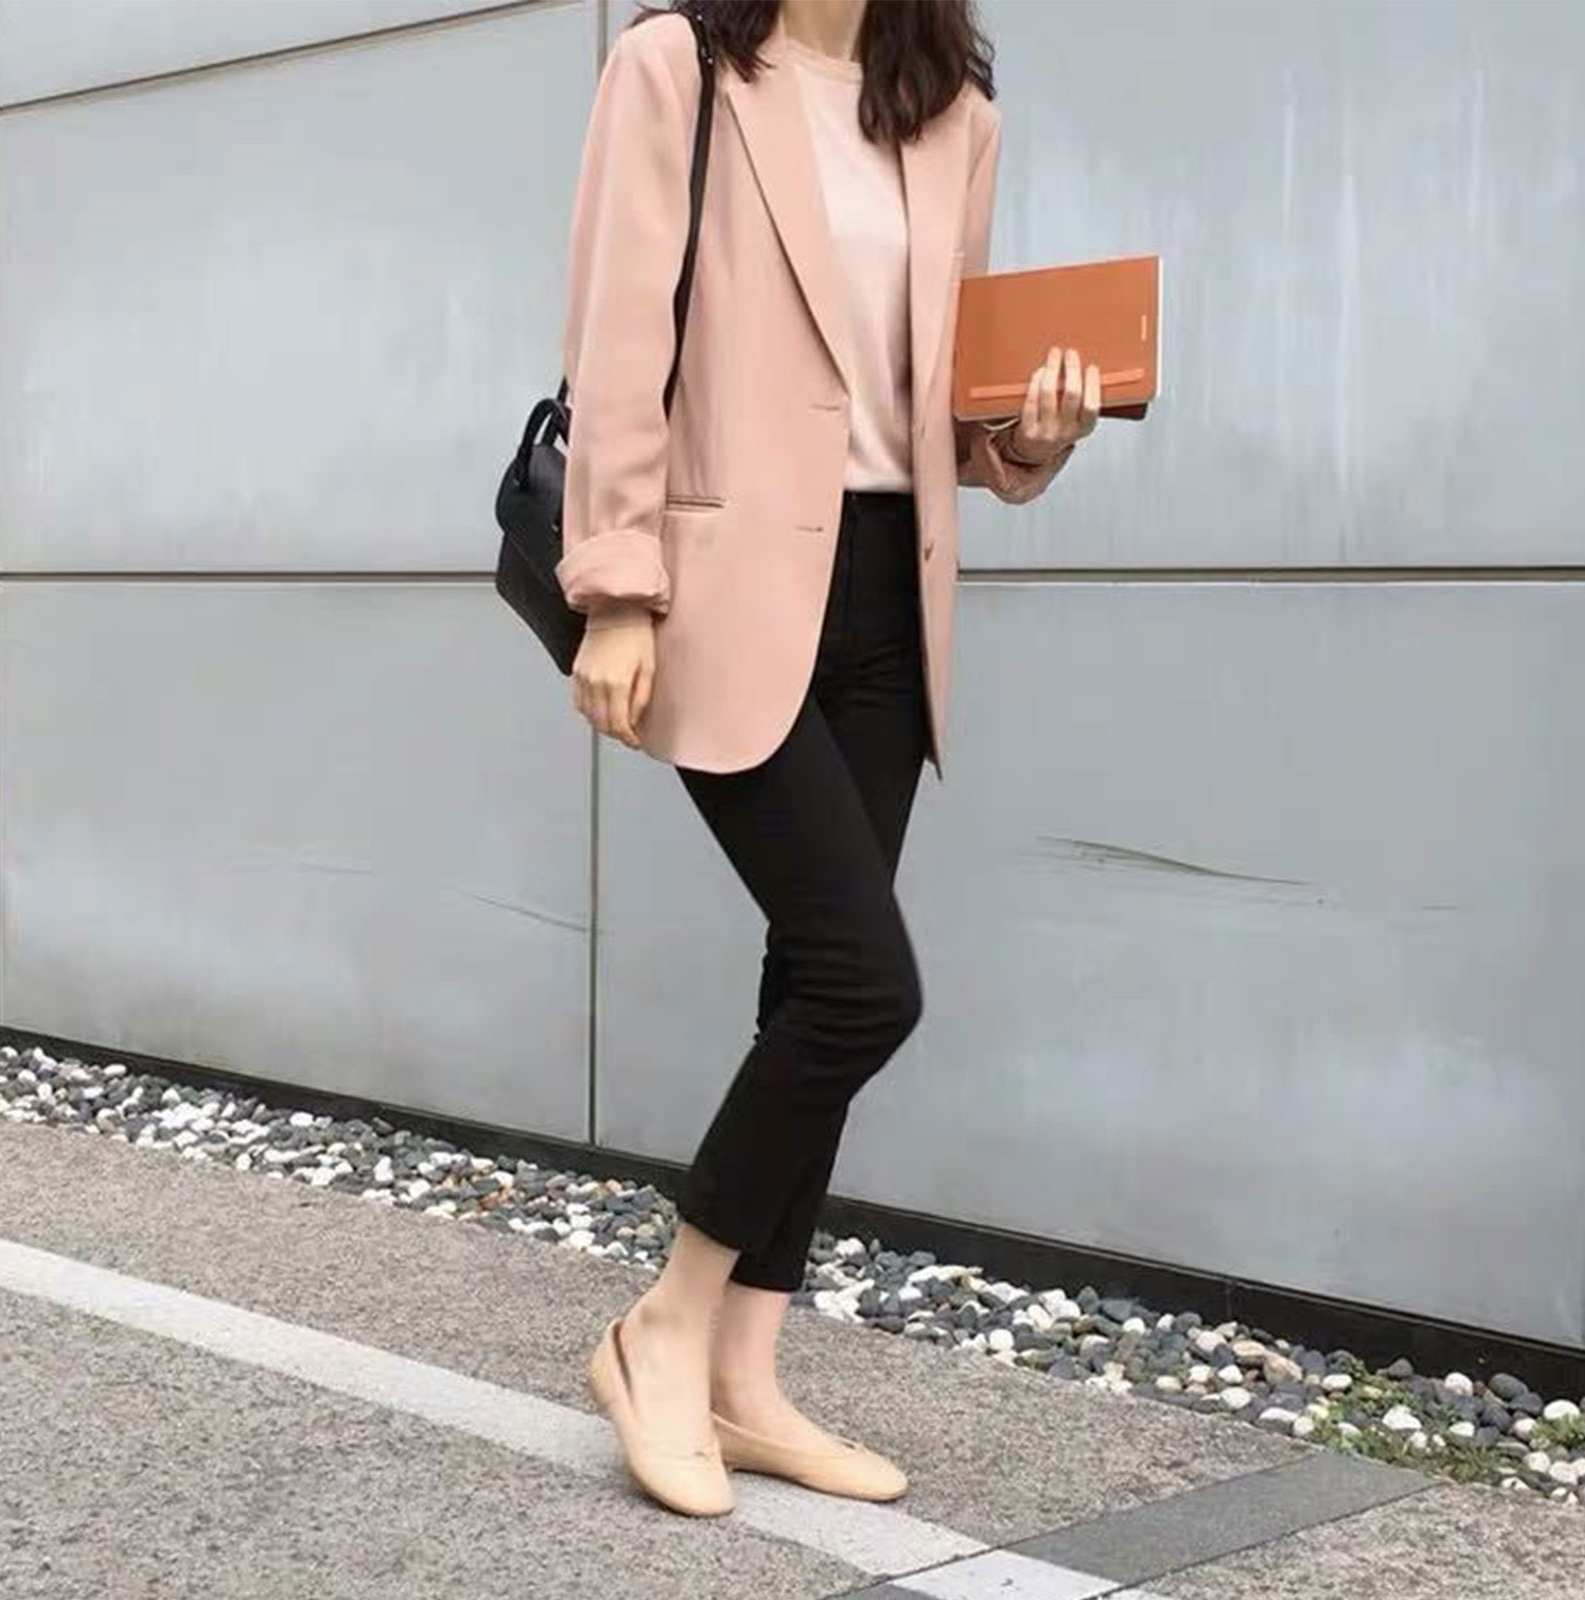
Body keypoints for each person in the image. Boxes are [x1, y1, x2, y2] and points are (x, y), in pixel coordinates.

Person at [556, 0, 1099, 1518]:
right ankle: (662, 1327)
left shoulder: (952, 112)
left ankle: (743, 1376)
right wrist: (614, 588)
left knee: (808, 980)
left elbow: (956, 413)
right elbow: (620, 339)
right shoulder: (680, 65)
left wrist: (1037, 431)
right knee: (868, 985)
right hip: (726, 590)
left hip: (888, 597)